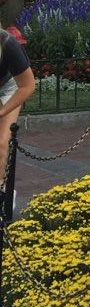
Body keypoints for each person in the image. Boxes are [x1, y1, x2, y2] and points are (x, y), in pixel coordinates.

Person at [1, 27, 36, 189]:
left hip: (9, 87)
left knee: (1, 143)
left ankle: (2, 197)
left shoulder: (7, 43)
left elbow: (27, 85)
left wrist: (2, 111)